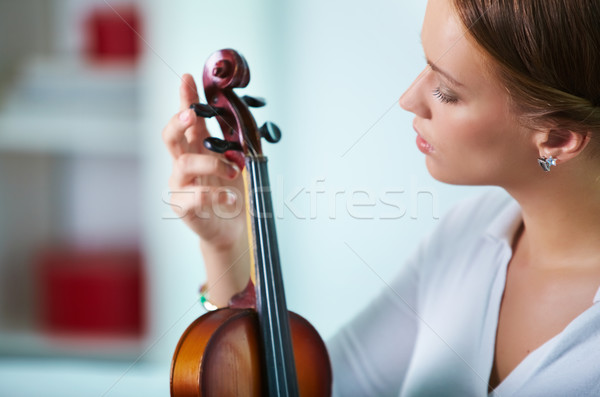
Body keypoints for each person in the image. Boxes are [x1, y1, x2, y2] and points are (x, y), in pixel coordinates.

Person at [162, 0, 600, 395]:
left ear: (558, 137)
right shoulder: (468, 234)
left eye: (447, 91)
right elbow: (310, 387)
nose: (409, 99)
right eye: (425, 64)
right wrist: (227, 247)